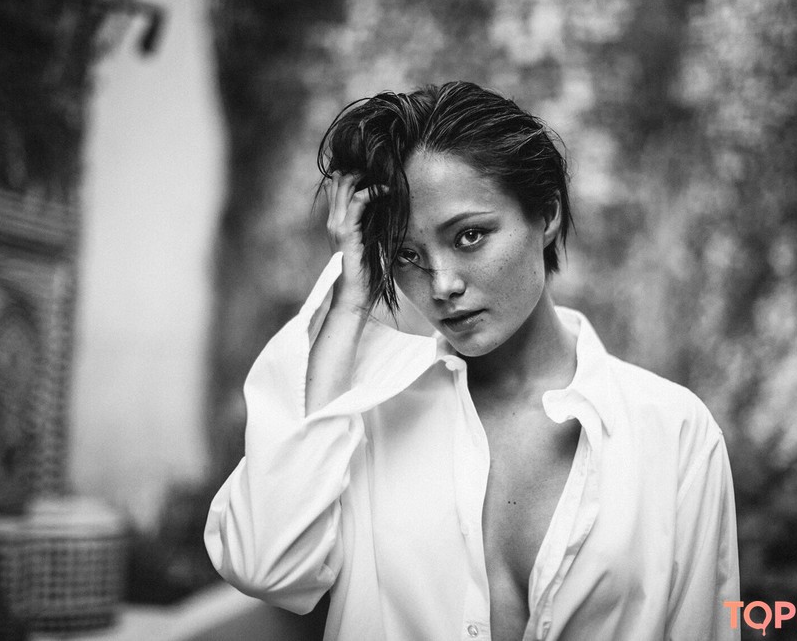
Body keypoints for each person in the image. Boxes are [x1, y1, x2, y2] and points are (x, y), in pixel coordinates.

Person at [204, 81, 740, 640]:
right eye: (407, 255)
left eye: (469, 237)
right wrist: (350, 301)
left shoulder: (672, 431)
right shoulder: (365, 418)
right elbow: (266, 566)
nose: (442, 285)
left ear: (546, 214)